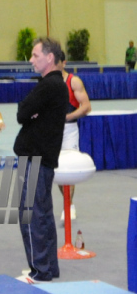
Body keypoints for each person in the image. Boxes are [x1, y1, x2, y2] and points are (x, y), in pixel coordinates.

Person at [14, 37, 68, 284]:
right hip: (42, 158)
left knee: (32, 215)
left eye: (35, 55)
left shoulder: (48, 86)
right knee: (43, 214)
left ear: (49, 57)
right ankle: (49, 267)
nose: (31, 60)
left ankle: (40, 270)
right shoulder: (54, 85)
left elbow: (22, 112)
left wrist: (29, 113)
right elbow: (27, 112)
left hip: (36, 158)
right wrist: (29, 113)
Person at [56, 52, 91, 221]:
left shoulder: (74, 81)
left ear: (64, 62)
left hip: (69, 129)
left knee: (68, 167)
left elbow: (86, 107)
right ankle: (67, 204)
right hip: (52, 131)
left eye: (58, 62)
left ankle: (68, 206)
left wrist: (68, 117)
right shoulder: (48, 82)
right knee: (57, 169)